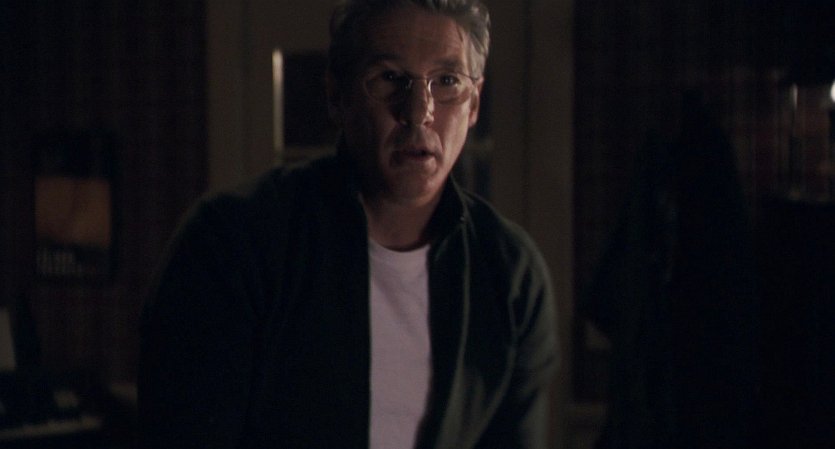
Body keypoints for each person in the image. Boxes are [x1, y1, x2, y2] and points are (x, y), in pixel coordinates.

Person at [138, 1, 559, 448]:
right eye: (390, 78)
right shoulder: (233, 241)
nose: (418, 111)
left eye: (448, 81)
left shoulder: (509, 271)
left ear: (474, 104)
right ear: (336, 96)